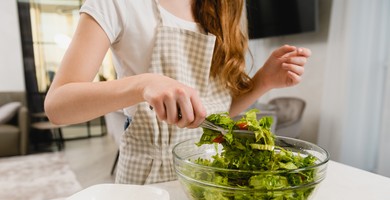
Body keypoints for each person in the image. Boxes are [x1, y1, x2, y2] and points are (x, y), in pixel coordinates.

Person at [44, 0, 311, 185]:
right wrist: (144, 84)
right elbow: (58, 106)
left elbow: (212, 114)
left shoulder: (230, 7)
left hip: (213, 176)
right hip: (147, 182)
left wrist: (263, 80)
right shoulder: (118, 4)